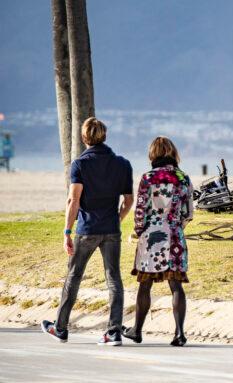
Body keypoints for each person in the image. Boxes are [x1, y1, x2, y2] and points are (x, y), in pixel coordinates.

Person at [42, 117, 133, 345]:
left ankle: (60, 328)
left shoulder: (80, 164)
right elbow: (128, 200)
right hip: (111, 229)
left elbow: (73, 199)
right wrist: (117, 219)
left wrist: (66, 231)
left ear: (84, 138)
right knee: (113, 278)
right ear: (105, 136)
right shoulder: (123, 164)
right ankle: (113, 332)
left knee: (74, 276)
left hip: (87, 229)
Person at [123, 136, 194, 347]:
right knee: (176, 285)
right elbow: (188, 213)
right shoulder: (183, 177)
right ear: (173, 153)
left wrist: (139, 231)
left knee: (144, 286)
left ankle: (136, 330)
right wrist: (177, 227)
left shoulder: (147, 178)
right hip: (174, 237)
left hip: (150, 238)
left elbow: (140, 211)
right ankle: (179, 333)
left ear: (152, 154)